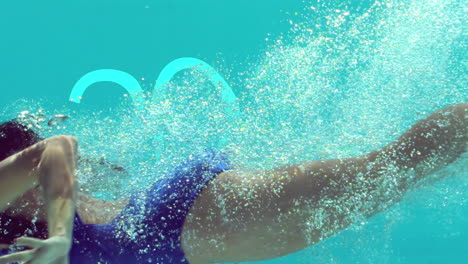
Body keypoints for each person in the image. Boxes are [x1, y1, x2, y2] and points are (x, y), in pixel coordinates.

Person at [0, 103, 466, 264]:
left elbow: (56, 149)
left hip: (190, 222)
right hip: (176, 239)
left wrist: (60, 234)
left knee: (393, 171)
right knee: (401, 178)